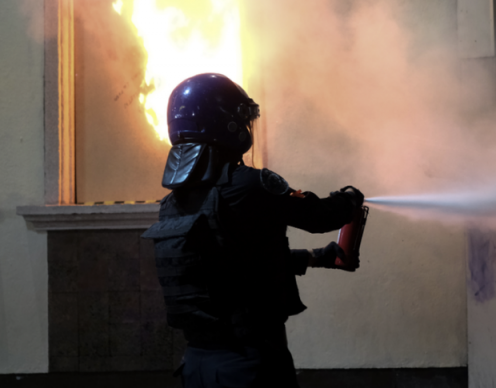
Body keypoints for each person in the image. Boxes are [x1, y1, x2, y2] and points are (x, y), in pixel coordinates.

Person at [142, 73, 365, 388]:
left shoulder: (172, 205)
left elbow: (234, 262)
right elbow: (319, 218)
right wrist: (349, 199)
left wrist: (317, 258)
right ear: (229, 124)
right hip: (249, 364)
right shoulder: (249, 185)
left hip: (197, 367)